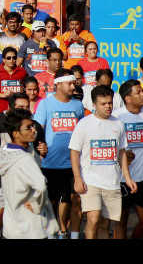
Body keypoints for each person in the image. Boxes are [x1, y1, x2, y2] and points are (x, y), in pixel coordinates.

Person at [69, 85, 136, 239]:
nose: (108, 107)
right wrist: (78, 178)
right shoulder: (84, 124)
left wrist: (127, 177)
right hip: (90, 181)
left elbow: (122, 152)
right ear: (94, 104)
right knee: (93, 218)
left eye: (110, 103)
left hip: (112, 181)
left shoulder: (118, 124)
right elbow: (74, 152)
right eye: (103, 104)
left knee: (105, 223)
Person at [33, 68, 85, 239]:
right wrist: (38, 145)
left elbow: (82, 132)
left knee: (74, 200)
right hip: (50, 163)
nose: (73, 85)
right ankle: (54, 232)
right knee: (52, 202)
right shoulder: (46, 104)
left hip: (74, 163)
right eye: (70, 83)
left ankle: (72, 234)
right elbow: (37, 128)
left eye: (73, 82)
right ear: (58, 84)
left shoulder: (78, 105)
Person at [0, 109, 59, 239]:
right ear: (15, 133)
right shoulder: (25, 159)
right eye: (28, 128)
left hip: (11, 227)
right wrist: (36, 205)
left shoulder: (3, 152)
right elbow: (41, 185)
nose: (33, 130)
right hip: (32, 228)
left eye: (33, 126)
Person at [114, 79, 143, 239]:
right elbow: (109, 145)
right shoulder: (116, 117)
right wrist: (123, 155)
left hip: (142, 178)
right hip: (120, 179)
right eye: (138, 92)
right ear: (127, 98)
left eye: (142, 91)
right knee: (120, 223)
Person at [0, 47, 28, 116]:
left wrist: (22, 90)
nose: (12, 60)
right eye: (8, 58)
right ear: (3, 60)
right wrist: (3, 95)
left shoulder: (22, 72)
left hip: (16, 110)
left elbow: (26, 88)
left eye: (14, 57)